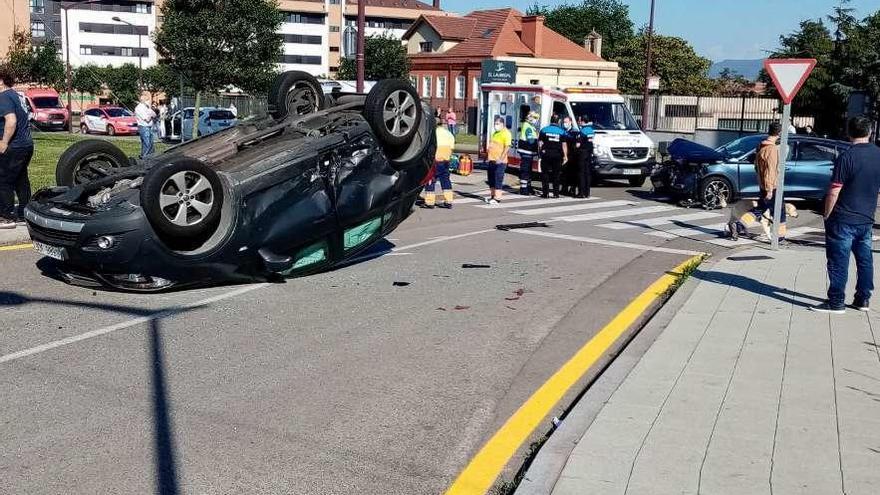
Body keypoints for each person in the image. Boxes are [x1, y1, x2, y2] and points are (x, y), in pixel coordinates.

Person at [812, 116, 880, 314]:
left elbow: (835, 189)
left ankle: (836, 302)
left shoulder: (846, 156)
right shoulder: (878, 155)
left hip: (843, 217)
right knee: (865, 259)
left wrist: (826, 213)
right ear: (869, 132)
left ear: (849, 132)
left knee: (838, 260)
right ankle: (863, 299)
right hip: (866, 217)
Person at [0, 68, 33, 229]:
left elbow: (11, 121)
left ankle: (6, 217)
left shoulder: (3, 97)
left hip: (14, 146)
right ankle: (24, 213)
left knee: (4, 180)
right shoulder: (16, 95)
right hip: (26, 144)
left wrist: (4, 142)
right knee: (21, 180)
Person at [753, 122, 786, 238]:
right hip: (771, 186)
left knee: (761, 208)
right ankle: (780, 236)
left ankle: (739, 224)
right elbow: (771, 170)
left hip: (763, 185)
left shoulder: (760, 146)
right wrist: (770, 189)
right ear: (780, 133)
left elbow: (756, 167)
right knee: (779, 210)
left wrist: (764, 184)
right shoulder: (771, 149)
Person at [422, 121, 456, 209]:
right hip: (445, 161)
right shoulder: (449, 134)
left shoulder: (433, 133)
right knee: (446, 181)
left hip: (435, 161)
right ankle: (448, 201)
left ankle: (430, 202)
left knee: (430, 180)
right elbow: (451, 149)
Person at [538, 114, 568, 198]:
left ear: (551, 120)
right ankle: (556, 193)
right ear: (558, 121)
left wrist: (540, 152)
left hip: (546, 154)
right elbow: (564, 145)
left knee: (545, 174)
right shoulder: (562, 131)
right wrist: (565, 156)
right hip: (557, 155)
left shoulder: (544, 130)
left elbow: (540, 143)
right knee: (556, 174)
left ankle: (545, 193)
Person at [486, 116, 512, 204]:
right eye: (495, 124)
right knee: (491, 178)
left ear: (502, 124)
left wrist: (501, 158)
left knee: (498, 178)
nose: (495, 125)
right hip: (492, 160)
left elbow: (507, 147)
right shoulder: (495, 133)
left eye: (497, 124)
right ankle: (492, 196)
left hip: (501, 161)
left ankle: (497, 198)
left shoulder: (506, 133)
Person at [516, 112, 539, 195]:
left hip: (528, 152)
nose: (537, 120)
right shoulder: (528, 127)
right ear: (531, 118)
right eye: (535, 118)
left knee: (528, 170)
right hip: (526, 151)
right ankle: (523, 188)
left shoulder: (529, 126)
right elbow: (531, 140)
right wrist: (537, 138)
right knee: (525, 170)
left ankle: (528, 186)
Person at [576, 115, 595, 198]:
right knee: (588, 173)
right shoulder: (591, 130)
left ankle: (581, 193)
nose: (579, 122)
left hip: (582, 153)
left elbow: (578, 145)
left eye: (580, 120)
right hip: (589, 153)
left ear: (583, 121)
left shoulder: (582, 131)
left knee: (581, 173)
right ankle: (587, 193)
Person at [560, 116, 578, 196]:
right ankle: (564, 188)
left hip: (572, 155)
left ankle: (572, 189)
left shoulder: (574, 131)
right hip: (564, 155)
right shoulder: (562, 131)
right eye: (564, 122)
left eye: (566, 122)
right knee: (564, 173)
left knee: (572, 173)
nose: (565, 124)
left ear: (570, 122)